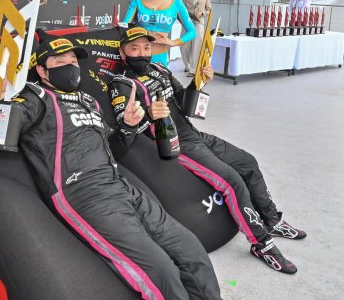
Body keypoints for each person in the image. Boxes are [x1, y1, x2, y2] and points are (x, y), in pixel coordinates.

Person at [0, 38, 288, 300]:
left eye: (73, 59)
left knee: (191, 250)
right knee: (161, 270)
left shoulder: (89, 101)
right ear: (42, 71)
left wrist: (126, 126)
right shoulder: (34, 98)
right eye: (59, 62)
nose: (70, 66)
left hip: (121, 186)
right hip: (84, 197)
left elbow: (114, 150)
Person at [109, 26, 303, 274]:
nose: (142, 53)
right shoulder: (121, 84)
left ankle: (272, 219)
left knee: (248, 162)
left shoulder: (160, 69)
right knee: (231, 180)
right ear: (123, 53)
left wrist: (199, 82)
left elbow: (186, 104)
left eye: (146, 47)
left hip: (195, 135)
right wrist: (147, 114)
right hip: (175, 144)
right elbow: (125, 130)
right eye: (134, 48)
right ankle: (262, 244)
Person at [123, 0, 197, 67]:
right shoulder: (137, 2)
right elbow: (123, 28)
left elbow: (192, 32)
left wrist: (174, 42)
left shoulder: (176, 4)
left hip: (161, 60)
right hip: (138, 60)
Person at [181, 0, 210, 76]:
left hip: (199, 23)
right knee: (185, 46)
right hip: (187, 23)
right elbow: (181, 9)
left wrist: (202, 13)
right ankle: (187, 65)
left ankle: (193, 70)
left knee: (197, 46)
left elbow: (209, 10)